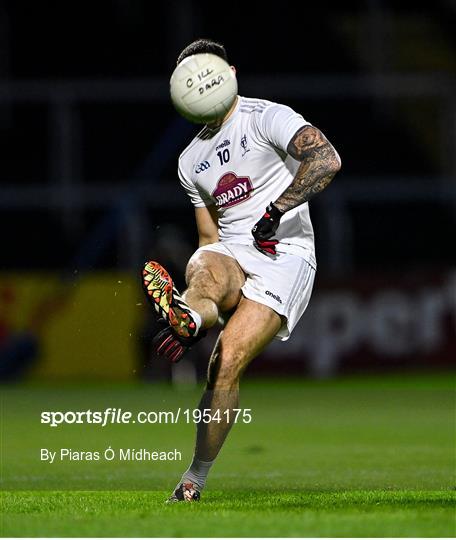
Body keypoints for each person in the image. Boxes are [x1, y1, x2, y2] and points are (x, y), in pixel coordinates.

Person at [142, 38, 341, 502]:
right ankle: (190, 316)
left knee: (226, 362)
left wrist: (276, 210)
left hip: (286, 255)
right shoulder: (190, 160)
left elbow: (326, 159)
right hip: (231, 249)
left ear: (230, 71)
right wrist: (203, 296)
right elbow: (210, 240)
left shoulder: (267, 116)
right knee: (202, 267)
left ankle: (196, 476)